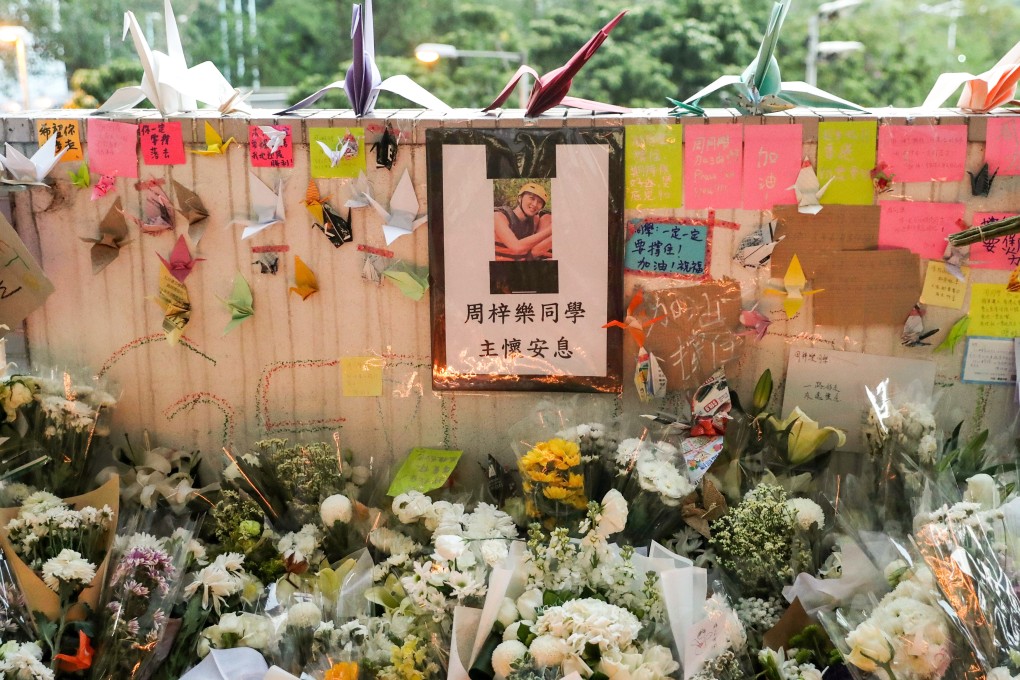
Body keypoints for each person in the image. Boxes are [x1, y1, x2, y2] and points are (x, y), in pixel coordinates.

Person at [494, 182, 552, 261]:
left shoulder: (534, 221)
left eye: (540, 202)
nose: (535, 204)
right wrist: (551, 230)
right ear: (520, 198)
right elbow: (517, 248)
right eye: (531, 198)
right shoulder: (499, 216)